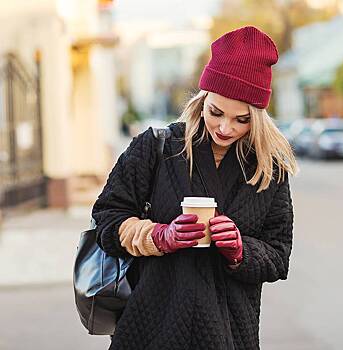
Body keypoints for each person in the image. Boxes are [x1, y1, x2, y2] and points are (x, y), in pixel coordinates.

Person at [92, 26, 298, 349]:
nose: (225, 127)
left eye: (241, 119)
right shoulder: (155, 149)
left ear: (257, 117)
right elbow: (107, 219)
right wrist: (159, 236)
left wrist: (240, 250)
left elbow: (279, 257)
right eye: (216, 112)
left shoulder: (269, 171)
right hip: (149, 330)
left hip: (230, 336)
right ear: (203, 98)